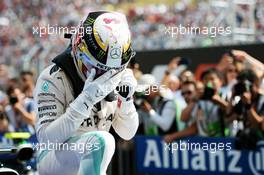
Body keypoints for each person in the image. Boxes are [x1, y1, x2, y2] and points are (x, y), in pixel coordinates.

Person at [34, 11, 139, 175]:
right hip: (54, 159)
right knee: (101, 141)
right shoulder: (52, 78)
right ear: (78, 50)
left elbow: (127, 133)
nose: (105, 75)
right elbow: (47, 141)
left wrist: (126, 103)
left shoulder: (120, 75)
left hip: (91, 158)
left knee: (101, 143)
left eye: (113, 70)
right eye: (97, 68)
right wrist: (85, 100)